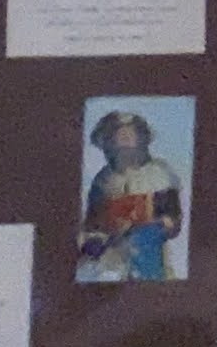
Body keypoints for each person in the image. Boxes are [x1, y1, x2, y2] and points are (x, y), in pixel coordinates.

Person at [75, 110, 183, 282]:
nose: (124, 137)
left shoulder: (159, 173)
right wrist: (97, 239)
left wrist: (140, 223)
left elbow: (171, 220)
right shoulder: (103, 179)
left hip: (147, 256)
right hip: (109, 261)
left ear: (141, 138)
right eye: (118, 133)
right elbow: (93, 224)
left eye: (130, 133)